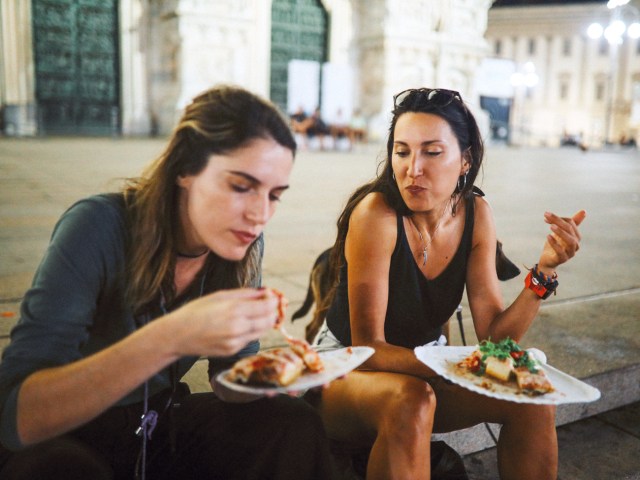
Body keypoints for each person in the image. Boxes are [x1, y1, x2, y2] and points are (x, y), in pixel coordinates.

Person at [0, 85, 337, 480]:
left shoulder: (241, 245)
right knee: (55, 469)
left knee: (290, 423)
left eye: (275, 195)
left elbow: (228, 377)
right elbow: (16, 418)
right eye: (241, 187)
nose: (260, 214)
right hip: (69, 432)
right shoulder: (98, 226)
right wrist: (172, 337)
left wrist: (280, 376)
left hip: (156, 424)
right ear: (185, 169)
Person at [312, 87, 586, 479]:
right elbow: (367, 348)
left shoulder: (476, 213)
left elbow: (494, 335)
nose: (412, 168)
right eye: (402, 151)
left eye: (432, 152)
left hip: (425, 365)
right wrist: (457, 365)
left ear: (465, 160)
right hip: (346, 368)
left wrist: (544, 271)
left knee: (532, 397)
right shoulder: (376, 214)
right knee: (411, 399)